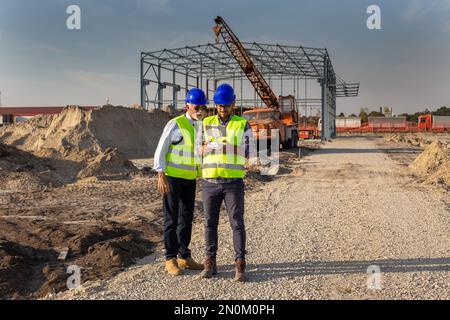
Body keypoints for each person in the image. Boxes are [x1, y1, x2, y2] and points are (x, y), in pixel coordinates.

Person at [199, 84, 253, 282]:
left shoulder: (242, 124)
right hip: (210, 182)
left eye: (226, 105)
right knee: (209, 224)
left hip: (233, 183)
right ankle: (210, 263)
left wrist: (225, 147)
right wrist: (204, 149)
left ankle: (240, 265)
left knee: (237, 224)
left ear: (233, 103)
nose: (223, 108)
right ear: (216, 104)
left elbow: (248, 151)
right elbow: (198, 148)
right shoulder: (205, 123)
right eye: (220, 105)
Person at [153, 88, 207, 276]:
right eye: (197, 106)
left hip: (190, 179)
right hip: (172, 179)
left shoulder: (200, 126)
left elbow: (196, 153)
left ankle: (184, 256)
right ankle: (170, 258)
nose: (200, 109)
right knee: (171, 219)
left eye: (203, 107)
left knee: (186, 219)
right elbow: (161, 148)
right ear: (188, 106)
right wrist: (161, 174)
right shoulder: (175, 124)